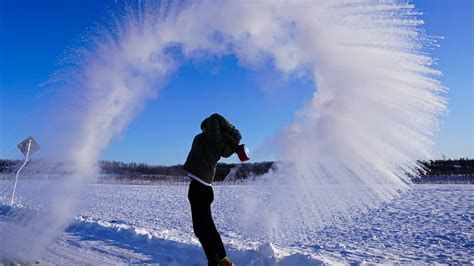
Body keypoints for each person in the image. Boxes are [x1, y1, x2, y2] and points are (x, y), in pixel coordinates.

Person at [184, 113, 248, 266]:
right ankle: (221, 260)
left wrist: (231, 130)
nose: (202, 131)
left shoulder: (215, 140)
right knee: (205, 228)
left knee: (203, 229)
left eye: (204, 128)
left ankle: (218, 261)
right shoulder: (219, 142)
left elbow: (215, 117)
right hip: (202, 187)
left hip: (200, 187)